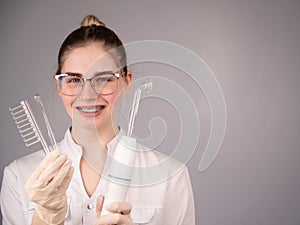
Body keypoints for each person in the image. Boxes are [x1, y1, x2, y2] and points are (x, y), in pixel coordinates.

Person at [0, 15, 195, 225]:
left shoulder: (170, 177)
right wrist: (43, 218)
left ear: (127, 82)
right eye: (74, 80)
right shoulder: (20, 176)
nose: (87, 95)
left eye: (103, 79)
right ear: (59, 86)